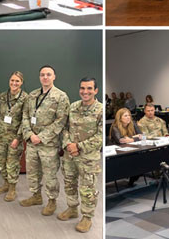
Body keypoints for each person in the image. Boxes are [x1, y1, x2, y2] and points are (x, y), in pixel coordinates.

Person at [20, 65, 69, 216]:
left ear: (54, 77)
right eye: (42, 75)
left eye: (48, 74)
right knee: (32, 172)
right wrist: (29, 135)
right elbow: (25, 116)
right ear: (39, 77)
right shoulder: (32, 95)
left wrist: (40, 137)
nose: (45, 77)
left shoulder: (61, 97)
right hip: (32, 142)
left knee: (50, 175)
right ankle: (36, 196)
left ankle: (52, 201)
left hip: (49, 144)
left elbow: (61, 121)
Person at [58, 77, 102, 233]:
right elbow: (65, 129)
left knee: (87, 188)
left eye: (89, 88)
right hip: (70, 155)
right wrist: (68, 145)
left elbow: (100, 137)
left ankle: (87, 217)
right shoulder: (73, 107)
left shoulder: (100, 110)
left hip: (88, 158)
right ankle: (72, 208)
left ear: (96, 90)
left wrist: (79, 147)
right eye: (83, 88)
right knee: (69, 182)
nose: (85, 91)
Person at [0, 71, 26, 201]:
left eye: (17, 81)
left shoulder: (25, 98)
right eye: (12, 80)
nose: (14, 83)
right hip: (1, 136)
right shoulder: (2, 96)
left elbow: (25, 120)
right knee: (1, 162)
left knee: (12, 164)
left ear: (21, 82)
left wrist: (18, 138)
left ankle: (12, 189)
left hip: (14, 138)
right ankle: (5, 183)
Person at [109, 107, 142, 187]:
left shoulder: (133, 123)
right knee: (134, 161)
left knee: (141, 159)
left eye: (129, 116)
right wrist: (135, 138)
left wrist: (131, 139)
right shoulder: (115, 127)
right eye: (125, 116)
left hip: (132, 149)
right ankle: (130, 178)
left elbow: (142, 136)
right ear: (120, 118)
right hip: (117, 152)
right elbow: (120, 140)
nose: (128, 118)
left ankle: (132, 179)